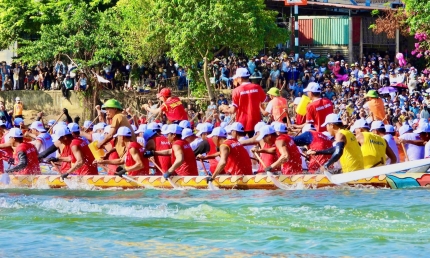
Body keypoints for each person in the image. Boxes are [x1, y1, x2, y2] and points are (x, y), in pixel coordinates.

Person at [219, 67, 266, 134]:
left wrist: (225, 109)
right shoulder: (257, 87)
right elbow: (264, 102)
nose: (236, 80)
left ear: (240, 78)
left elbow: (233, 110)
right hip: (257, 123)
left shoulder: (236, 91)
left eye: (236, 78)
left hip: (242, 124)